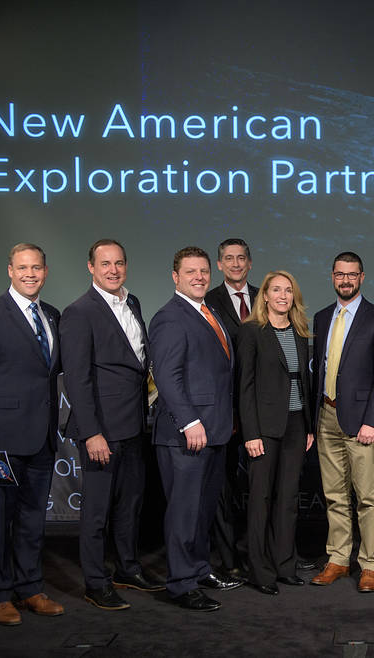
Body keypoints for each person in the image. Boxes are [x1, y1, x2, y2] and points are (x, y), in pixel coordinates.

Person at [0, 243, 65, 625]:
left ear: (46, 272)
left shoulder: (51, 315)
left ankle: (30, 588)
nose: (30, 274)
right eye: (22, 268)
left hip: (41, 439)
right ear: (9, 271)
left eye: (36, 267)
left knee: (33, 520)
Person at [61, 239, 163, 611]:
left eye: (119, 263)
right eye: (105, 264)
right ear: (90, 267)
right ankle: (95, 581)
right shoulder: (79, 312)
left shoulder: (130, 302)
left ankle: (127, 568)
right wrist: (91, 433)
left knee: (130, 504)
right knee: (97, 510)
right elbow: (77, 378)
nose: (113, 270)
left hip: (134, 424)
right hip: (101, 429)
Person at [150, 246, 243, 611]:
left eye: (204, 271)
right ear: (176, 277)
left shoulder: (210, 312)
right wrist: (190, 421)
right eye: (191, 272)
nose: (199, 277)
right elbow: (168, 378)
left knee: (203, 510)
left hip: (215, 431)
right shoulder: (170, 318)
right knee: (184, 512)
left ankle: (200, 569)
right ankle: (181, 583)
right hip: (185, 434)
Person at [310, 252, 374, 592]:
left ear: (362, 277)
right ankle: (338, 560)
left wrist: (373, 421)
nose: (345, 280)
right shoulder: (320, 317)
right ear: (332, 276)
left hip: (362, 423)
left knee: (368, 498)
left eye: (352, 275)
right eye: (340, 274)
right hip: (326, 416)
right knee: (334, 495)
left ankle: (370, 565)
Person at [238, 271, 315, 595]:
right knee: (261, 500)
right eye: (276, 290)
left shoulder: (299, 332)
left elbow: (302, 383)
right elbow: (245, 387)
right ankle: (261, 572)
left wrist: (309, 427)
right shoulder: (252, 332)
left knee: (287, 500)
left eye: (288, 290)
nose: (283, 295)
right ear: (265, 296)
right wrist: (251, 432)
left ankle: (285, 565)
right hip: (264, 430)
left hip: (297, 426)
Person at [204, 238, 257, 578]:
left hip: (259, 410)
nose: (235, 264)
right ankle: (229, 559)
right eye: (228, 259)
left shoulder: (267, 296)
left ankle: (260, 555)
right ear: (219, 265)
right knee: (222, 489)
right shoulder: (207, 300)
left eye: (241, 258)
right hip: (222, 409)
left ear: (249, 263)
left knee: (260, 487)